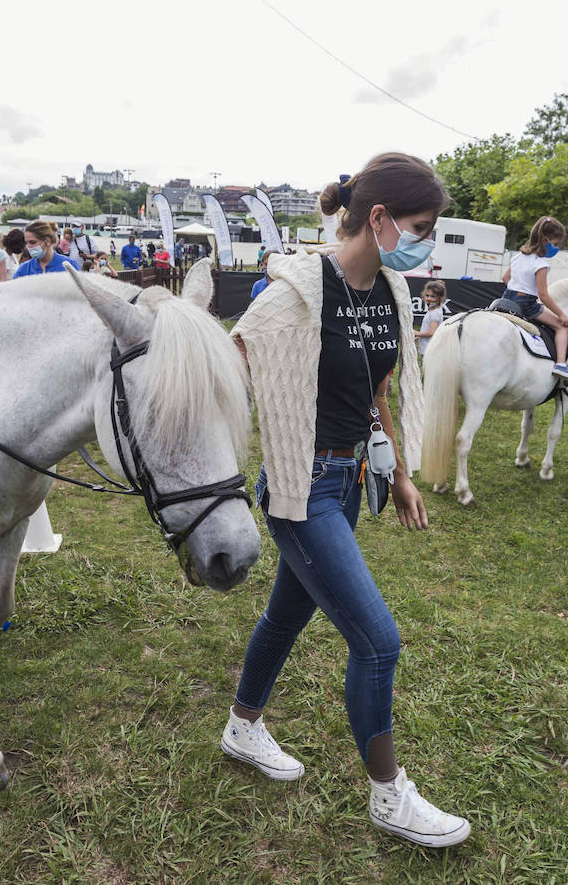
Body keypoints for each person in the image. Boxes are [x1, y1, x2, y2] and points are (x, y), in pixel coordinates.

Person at [220, 153, 470, 849]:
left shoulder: (388, 291)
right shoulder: (301, 289)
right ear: (380, 218)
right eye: (421, 227)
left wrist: (405, 473)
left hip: (350, 481)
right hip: (301, 492)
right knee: (379, 643)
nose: (426, 243)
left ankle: (242, 726)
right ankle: (390, 797)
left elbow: (376, 391)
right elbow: (232, 360)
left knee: (284, 616)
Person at [501, 216, 568, 383]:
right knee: (561, 327)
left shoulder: (518, 257)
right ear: (546, 240)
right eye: (555, 243)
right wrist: (562, 315)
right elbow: (543, 295)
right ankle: (560, 364)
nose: (556, 247)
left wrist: (518, 288)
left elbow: (505, 278)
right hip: (526, 303)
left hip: (507, 298)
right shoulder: (541, 263)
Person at [414, 280, 447, 356]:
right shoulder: (431, 311)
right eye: (427, 295)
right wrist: (419, 337)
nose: (429, 298)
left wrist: (417, 333)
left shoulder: (435, 313)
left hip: (429, 351)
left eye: (433, 296)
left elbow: (432, 332)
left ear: (440, 298)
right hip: (426, 349)